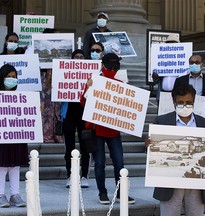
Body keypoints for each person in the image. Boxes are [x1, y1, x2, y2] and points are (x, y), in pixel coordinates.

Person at [145, 83, 205, 216]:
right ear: (173, 102)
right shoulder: (161, 122)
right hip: (169, 184)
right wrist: (149, 144)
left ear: (194, 102)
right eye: (180, 102)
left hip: (196, 183)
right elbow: (154, 152)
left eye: (188, 102)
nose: (185, 105)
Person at [80, 53, 135, 205]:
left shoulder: (120, 82)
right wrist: (88, 89)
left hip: (113, 130)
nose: (112, 70)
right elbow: (84, 104)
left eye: (114, 68)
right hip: (97, 130)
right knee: (99, 163)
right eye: (109, 67)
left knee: (119, 162)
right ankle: (102, 193)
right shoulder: (93, 81)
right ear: (102, 66)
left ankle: (121, 193)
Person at [0, 64, 28, 208]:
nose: (11, 79)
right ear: (1, 78)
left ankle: (15, 195)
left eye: (14, 77)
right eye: (8, 77)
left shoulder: (21, 97)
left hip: (17, 136)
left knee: (15, 165)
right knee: (1, 166)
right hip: (0, 137)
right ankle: (0, 195)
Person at [61, 49, 90, 188]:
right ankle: (70, 175)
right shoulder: (65, 74)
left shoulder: (90, 75)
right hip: (69, 113)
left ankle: (84, 176)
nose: (79, 59)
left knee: (85, 146)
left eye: (81, 56)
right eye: (76, 57)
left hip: (85, 113)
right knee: (69, 147)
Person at [39, 28, 63, 143]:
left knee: (57, 108)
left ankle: (57, 133)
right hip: (44, 81)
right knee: (46, 108)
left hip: (58, 80)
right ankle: (45, 133)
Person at [152, 33, 181, 106]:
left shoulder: (182, 59)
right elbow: (155, 80)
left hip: (178, 94)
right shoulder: (160, 58)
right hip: (163, 94)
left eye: (173, 43)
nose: (171, 45)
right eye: (169, 43)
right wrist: (155, 77)